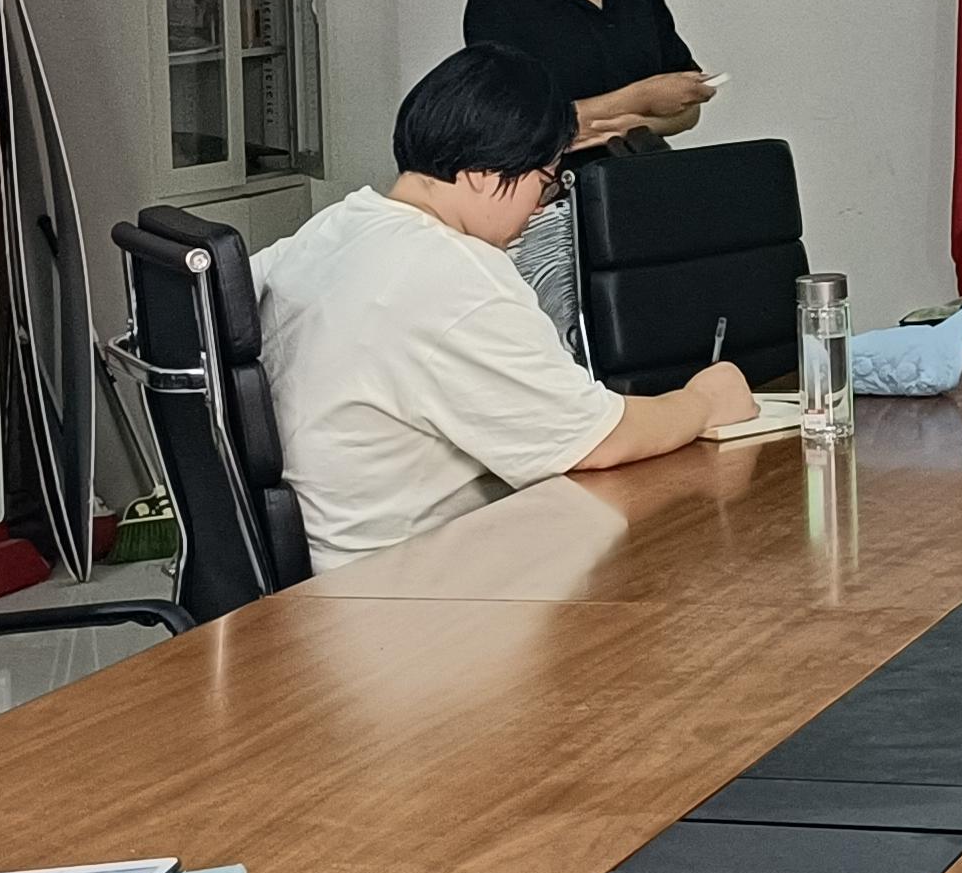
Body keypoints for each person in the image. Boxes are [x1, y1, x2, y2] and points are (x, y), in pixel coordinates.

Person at [241, 44, 757, 574]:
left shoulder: (335, 226)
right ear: (484, 174)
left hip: (323, 568)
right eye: (544, 182)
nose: (539, 208)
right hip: (402, 584)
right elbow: (594, 439)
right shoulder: (454, 272)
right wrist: (703, 402)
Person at [464, 0, 711, 343]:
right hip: (545, 210)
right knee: (567, 348)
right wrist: (638, 99)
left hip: (640, 194)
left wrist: (624, 122)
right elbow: (515, 127)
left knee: (651, 340)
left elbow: (687, 106)